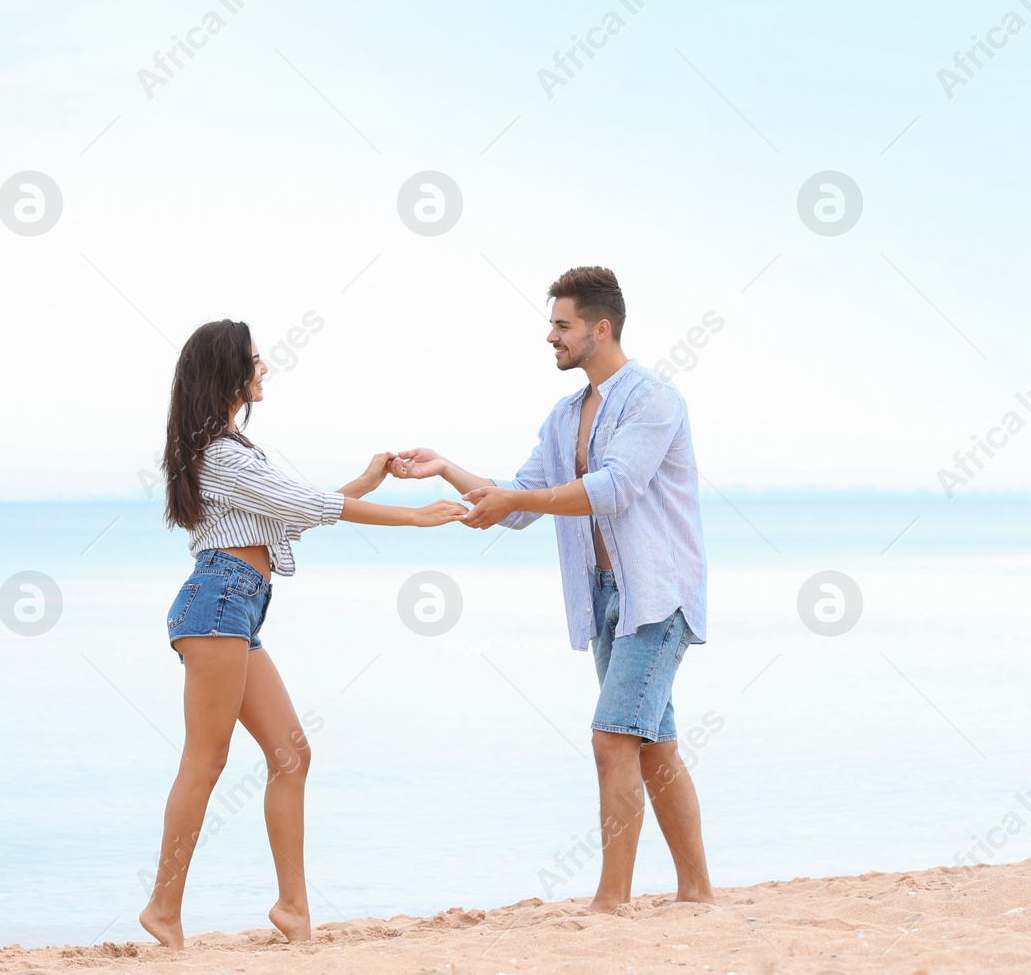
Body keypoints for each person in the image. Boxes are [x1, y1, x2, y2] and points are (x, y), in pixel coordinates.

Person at [393, 266, 715, 913]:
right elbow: (517, 504)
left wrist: (516, 494)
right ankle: (697, 890)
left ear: (601, 326)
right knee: (652, 746)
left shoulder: (652, 398)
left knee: (612, 738)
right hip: (604, 597)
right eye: (551, 324)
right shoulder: (567, 413)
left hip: (656, 595)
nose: (550, 336)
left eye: (561, 324)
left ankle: (611, 900)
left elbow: (615, 487)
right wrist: (448, 467)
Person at [139, 319, 466, 950]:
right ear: (226, 371)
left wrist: (364, 486)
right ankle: (162, 908)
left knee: (291, 755)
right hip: (217, 604)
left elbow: (297, 513)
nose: (264, 369)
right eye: (255, 361)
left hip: (235, 608)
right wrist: (415, 517)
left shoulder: (230, 451)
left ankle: (292, 908)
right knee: (205, 762)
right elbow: (309, 507)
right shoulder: (221, 454)